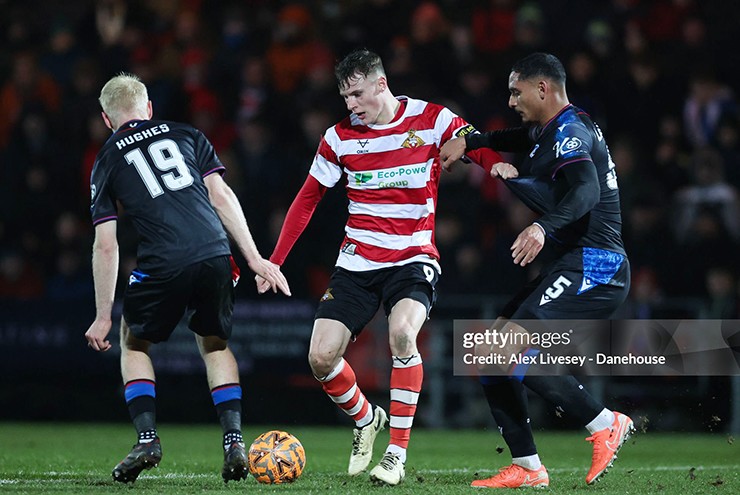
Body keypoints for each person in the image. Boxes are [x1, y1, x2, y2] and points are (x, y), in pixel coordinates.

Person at [256, 48, 502, 486]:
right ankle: (366, 418)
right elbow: (308, 198)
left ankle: (395, 455)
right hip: (356, 264)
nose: (350, 105)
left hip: (413, 258)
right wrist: (274, 260)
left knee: (403, 333)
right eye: (345, 97)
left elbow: (475, 143)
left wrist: (499, 164)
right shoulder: (338, 138)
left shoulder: (431, 119)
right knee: (319, 357)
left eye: (356, 94)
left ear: (380, 84)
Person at [440, 52, 634, 489]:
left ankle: (605, 422)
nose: (510, 100)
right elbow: (511, 136)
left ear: (542, 88)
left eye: (516, 91)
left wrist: (543, 228)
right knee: (488, 355)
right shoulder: (548, 131)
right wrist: (472, 143)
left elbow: (585, 190)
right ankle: (528, 467)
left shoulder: (570, 131)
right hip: (574, 263)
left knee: (507, 351)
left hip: (598, 265)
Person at [84, 73, 290, 484]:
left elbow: (106, 245)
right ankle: (233, 442)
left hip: (164, 258)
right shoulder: (187, 133)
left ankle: (147, 439)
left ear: (107, 120)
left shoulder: (106, 159)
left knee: (132, 338)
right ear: (148, 108)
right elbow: (221, 196)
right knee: (215, 344)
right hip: (215, 251)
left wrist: (102, 315)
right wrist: (254, 258)